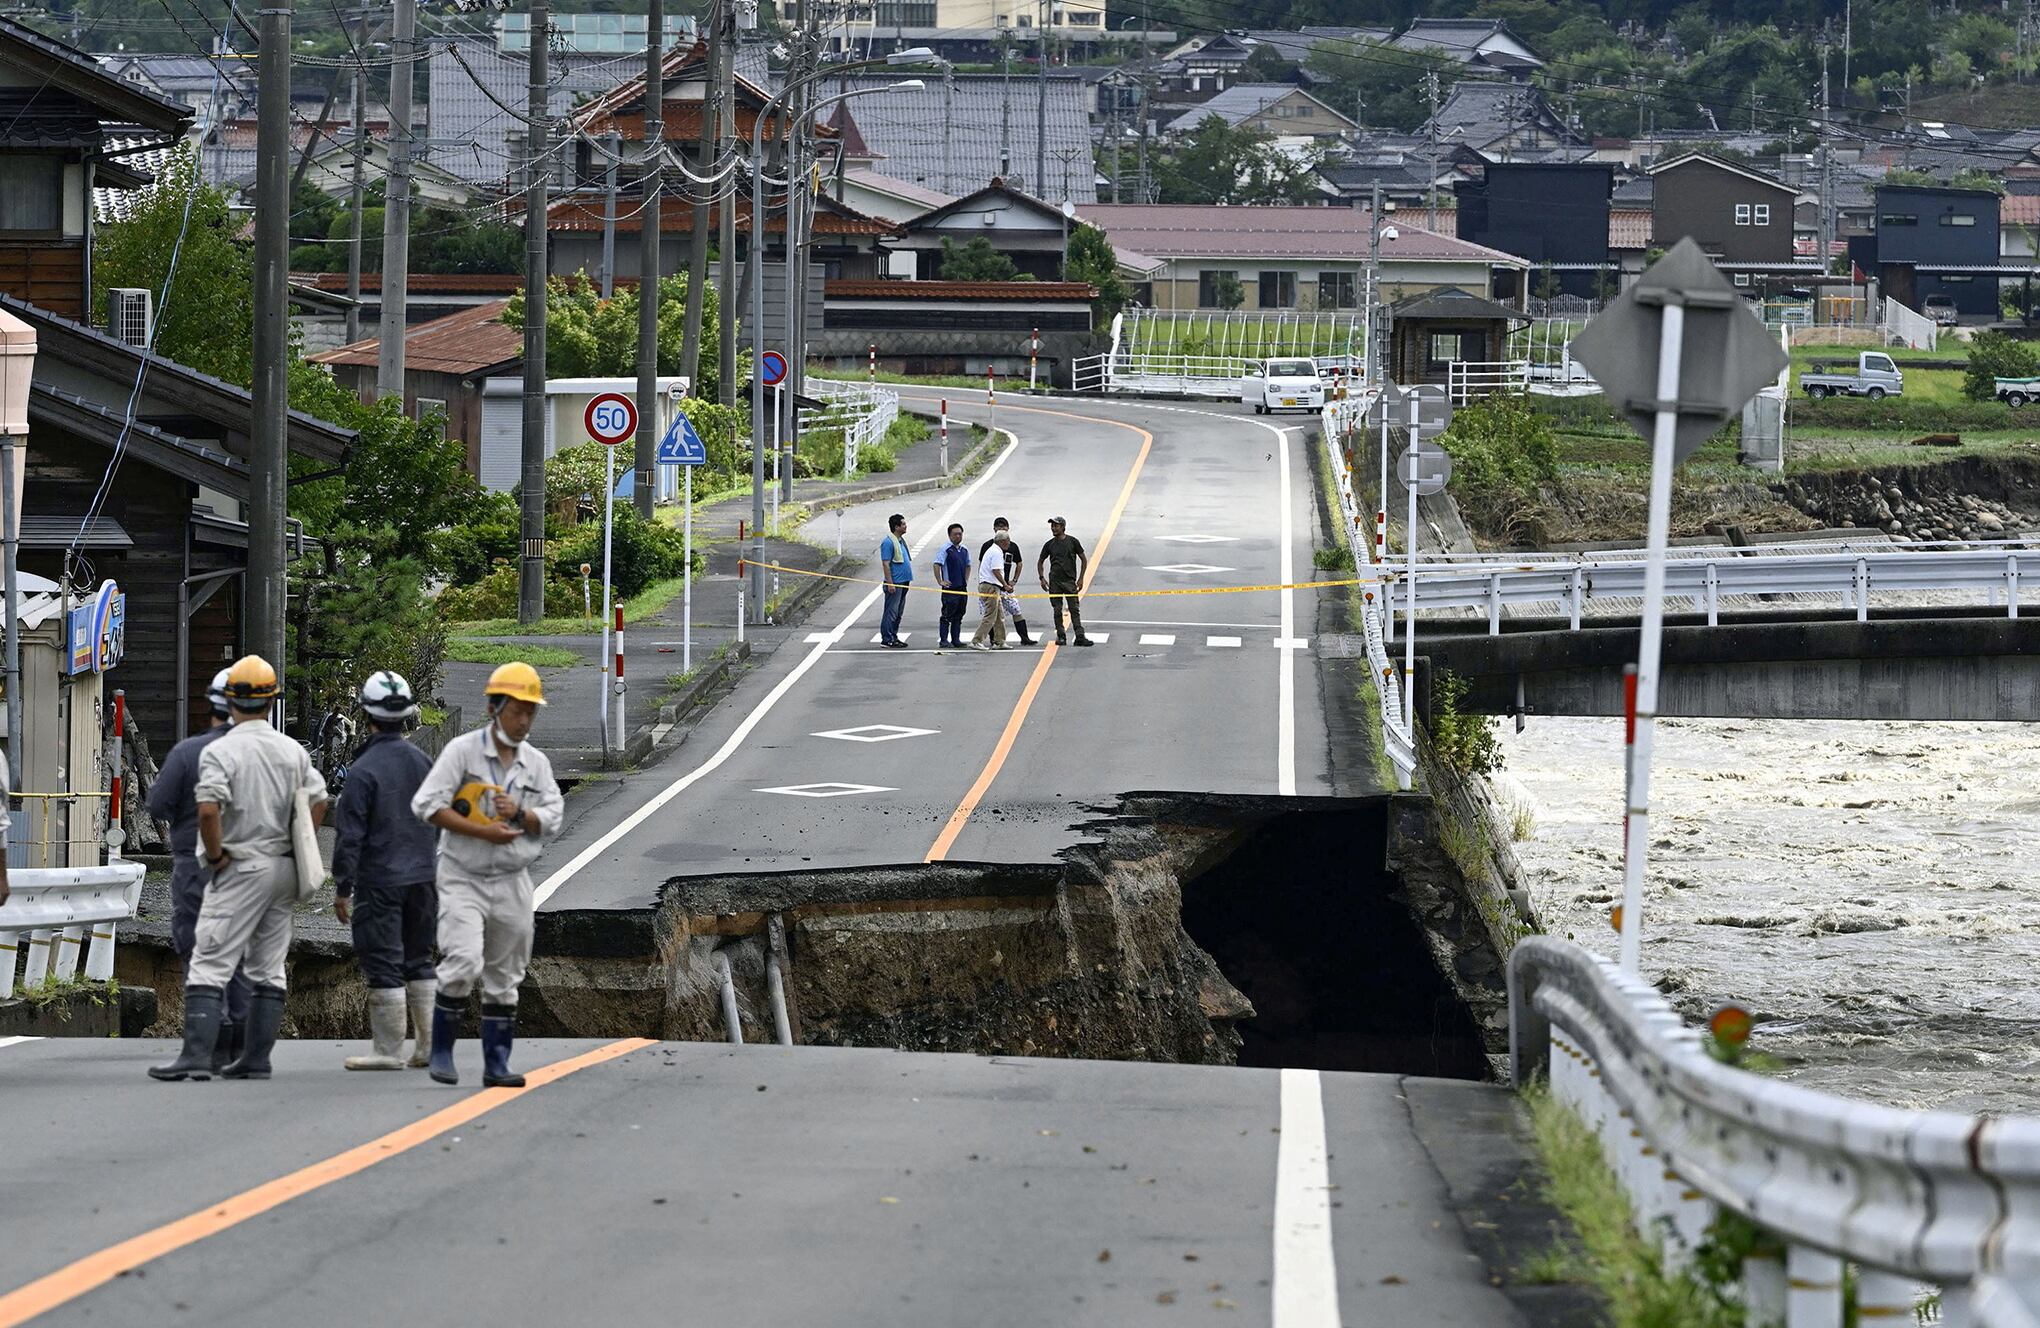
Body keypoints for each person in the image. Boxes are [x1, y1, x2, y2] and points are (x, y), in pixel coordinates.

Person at [150, 655, 329, 1082]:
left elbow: (208, 810)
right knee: (267, 964)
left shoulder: (220, 750)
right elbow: (319, 801)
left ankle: (196, 1055)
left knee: (210, 958)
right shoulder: (291, 750)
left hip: (240, 865)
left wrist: (215, 856)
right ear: (271, 702)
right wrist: (298, 841)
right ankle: (255, 1058)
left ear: (230, 701)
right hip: (284, 867)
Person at [411, 662, 563, 1088]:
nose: (524, 720)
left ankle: (497, 1062)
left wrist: (524, 814)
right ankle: (441, 1052)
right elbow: (426, 805)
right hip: (463, 874)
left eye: (531, 711)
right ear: (496, 707)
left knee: (507, 974)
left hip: (513, 878)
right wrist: (480, 830)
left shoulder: (535, 764)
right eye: (517, 710)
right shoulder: (462, 753)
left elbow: (553, 815)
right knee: (461, 960)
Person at [143, 669, 251, 1071]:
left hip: (197, 867)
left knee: (199, 950)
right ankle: (238, 1048)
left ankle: (204, 1049)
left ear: (212, 705)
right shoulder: (269, 753)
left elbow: (156, 806)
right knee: (240, 952)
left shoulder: (190, 753)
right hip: (250, 869)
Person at [331, 671, 439, 1071]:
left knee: (383, 958)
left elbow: (349, 836)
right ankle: (428, 1047)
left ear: (366, 714)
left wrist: (343, 887)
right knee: (419, 957)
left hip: (380, 880)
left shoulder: (363, 770)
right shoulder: (422, 761)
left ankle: (388, 1050)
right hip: (424, 877)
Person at [1038, 516, 1093, 647]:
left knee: (1074, 609)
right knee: (1057, 610)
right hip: (1055, 582)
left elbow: (1084, 560)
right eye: (1052, 526)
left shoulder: (1073, 542)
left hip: (1069, 581)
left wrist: (1081, 579)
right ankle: (1061, 636)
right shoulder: (1049, 544)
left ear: (1063, 527)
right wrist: (1042, 578)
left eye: (1056, 526)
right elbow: (1040, 561)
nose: (1053, 528)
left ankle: (1079, 636)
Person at [980, 517, 1033, 646]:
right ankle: (993, 639)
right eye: (998, 528)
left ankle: (1024, 637)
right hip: (993, 585)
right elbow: (985, 565)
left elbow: (1019, 563)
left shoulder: (1012, 546)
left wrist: (1014, 580)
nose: (1001, 529)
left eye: (1003, 528)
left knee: (1016, 610)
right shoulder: (989, 546)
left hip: (1006, 586)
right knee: (992, 614)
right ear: (994, 529)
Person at [971, 524, 1014, 651]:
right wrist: (1005, 584)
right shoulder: (996, 552)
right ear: (1002, 541)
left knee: (999, 615)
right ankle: (976, 640)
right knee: (990, 615)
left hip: (992, 586)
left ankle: (1000, 641)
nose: (1009, 544)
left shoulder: (994, 550)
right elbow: (995, 570)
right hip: (990, 586)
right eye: (1008, 541)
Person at [931, 523, 972, 649]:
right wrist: (940, 581)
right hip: (950, 588)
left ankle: (956, 639)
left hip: (961, 587)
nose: (958, 536)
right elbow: (937, 564)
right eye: (955, 534)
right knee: (947, 614)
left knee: (959, 614)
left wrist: (965, 579)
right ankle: (944, 640)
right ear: (950, 535)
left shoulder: (964, 549)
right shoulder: (946, 549)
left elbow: (968, 565)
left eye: (960, 533)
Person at [878, 513, 912, 648]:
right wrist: (890, 583)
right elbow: (886, 564)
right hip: (895, 582)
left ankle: (894, 636)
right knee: (891, 611)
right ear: (896, 526)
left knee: (898, 612)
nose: (905, 526)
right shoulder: (888, 542)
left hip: (904, 581)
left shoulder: (900, 541)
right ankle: (887, 638)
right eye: (903, 524)